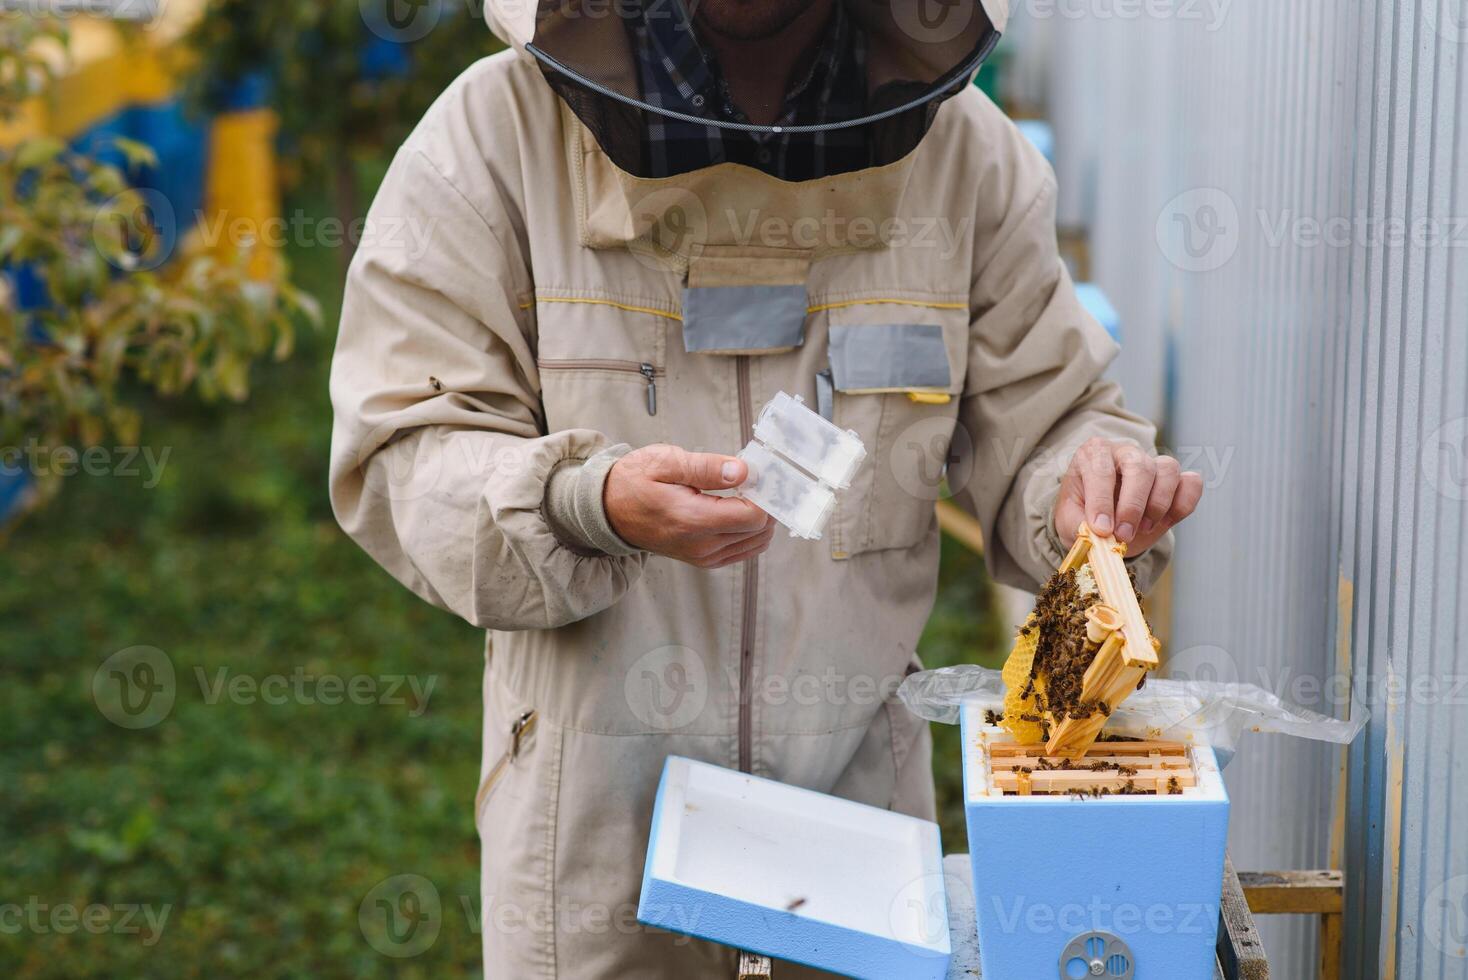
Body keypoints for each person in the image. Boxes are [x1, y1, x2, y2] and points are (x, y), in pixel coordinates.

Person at [328, 0, 1204, 974]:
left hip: (857, 822)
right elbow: (406, 449)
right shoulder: (492, 139)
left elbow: (1051, 418)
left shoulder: (966, 161)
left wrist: (1087, 488)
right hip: (589, 838)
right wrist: (588, 499)